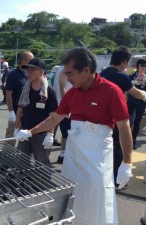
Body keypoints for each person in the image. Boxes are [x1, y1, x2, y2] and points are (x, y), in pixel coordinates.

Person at [15, 48, 132, 225]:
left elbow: (124, 127)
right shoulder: (73, 93)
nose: (67, 78)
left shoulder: (111, 91)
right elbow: (54, 118)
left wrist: (127, 162)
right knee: (71, 192)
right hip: (74, 152)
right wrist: (30, 132)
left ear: (86, 70)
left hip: (97, 154)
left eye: (70, 73)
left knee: (96, 194)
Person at [100, 46, 146, 185]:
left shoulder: (102, 74)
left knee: (104, 148)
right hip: (114, 118)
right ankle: (117, 180)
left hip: (99, 118)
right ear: (124, 61)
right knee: (117, 149)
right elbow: (135, 93)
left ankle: (104, 175)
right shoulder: (120, 76)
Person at [14, 58, 57, 166]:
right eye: (27, 70)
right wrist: (16, 128)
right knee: (22, 161)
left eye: (32, 69)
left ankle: (44, 182)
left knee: (42, 163)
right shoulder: (25, 89)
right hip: (24, 130)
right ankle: (22, 182)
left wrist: (50, 135)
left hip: (41, 133)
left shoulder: (49, 92)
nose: (28, 72)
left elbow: (52, 115)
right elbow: (20, 110)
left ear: (42, 72)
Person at [5, 51, 34, 146]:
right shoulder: (13, 74)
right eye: (31, 59)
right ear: (24, 60)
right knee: (11, 136)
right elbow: (8, 93)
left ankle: (22, 155)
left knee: (25, 137)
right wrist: (11, 111)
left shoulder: (30, 73)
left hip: (28, 111)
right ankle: (6, 156)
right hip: (16, 110)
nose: (33, 61)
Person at [52, 65, 72, 164]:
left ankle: (62, 154)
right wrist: (67, 106)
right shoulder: (65, 69)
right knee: (68, 134)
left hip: (61, 104)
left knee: (65, 134)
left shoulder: (61, 68)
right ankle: (65, 155)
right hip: (66, 106)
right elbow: (62, 86)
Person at [127, 58, 146, 149]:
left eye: (145, 66)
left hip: (142, 102)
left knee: (137, 122)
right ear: (138, 67)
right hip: (131, 100)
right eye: (142, 65)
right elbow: (127, 85)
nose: (144, 67)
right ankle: (126, 139)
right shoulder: (132, 76)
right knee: (129, 121)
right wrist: (136, 81)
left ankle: (133, 141)